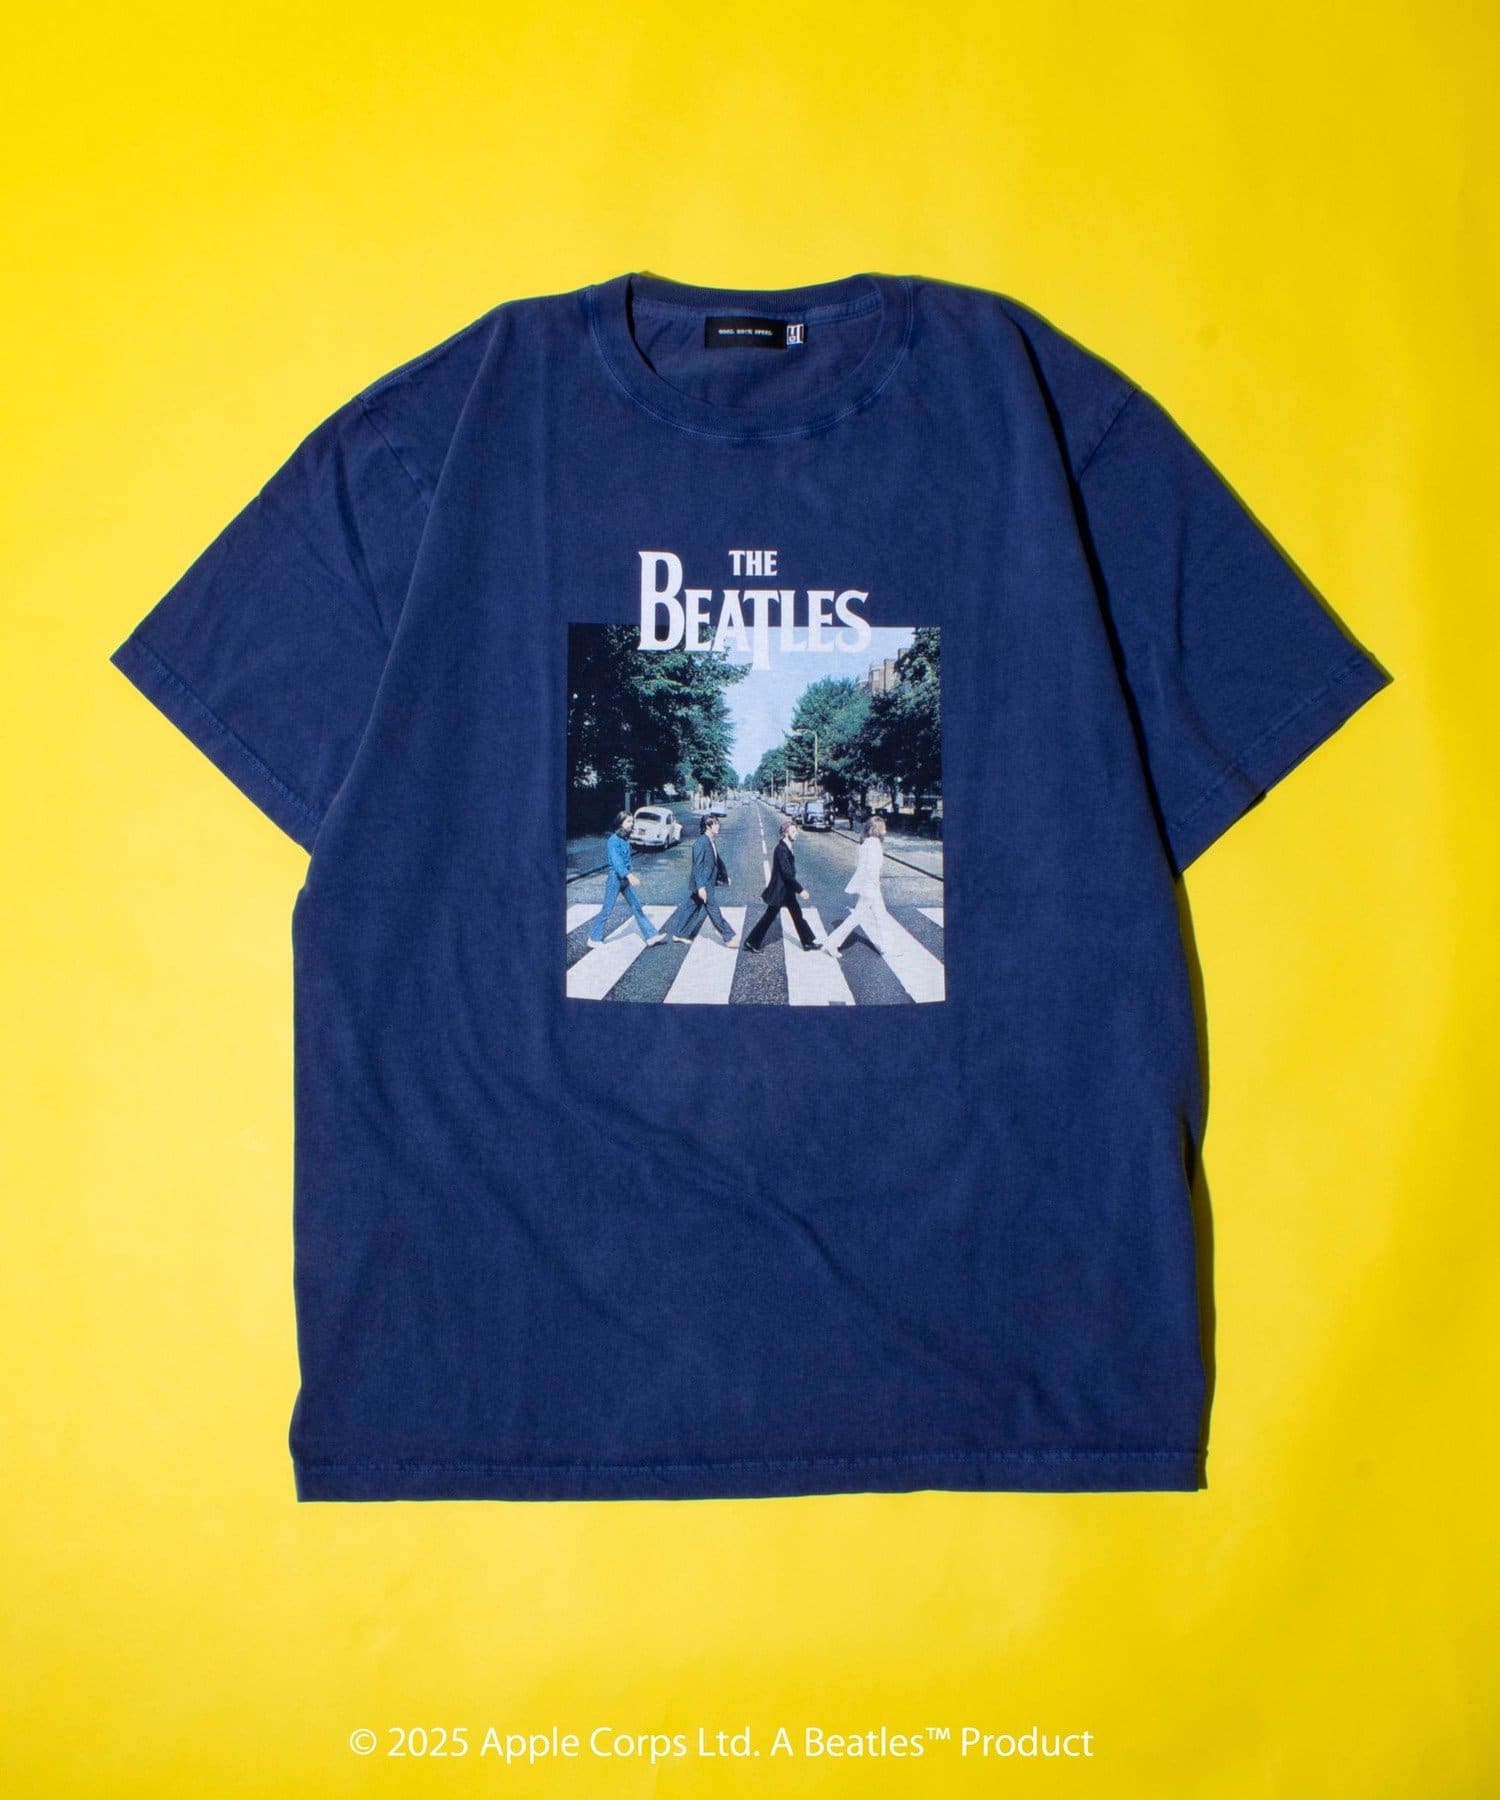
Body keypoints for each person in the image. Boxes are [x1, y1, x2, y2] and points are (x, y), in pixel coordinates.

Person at [651, 814, 736, 948]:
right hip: (704, 883)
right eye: (715, 824)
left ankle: (679, 934)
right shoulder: (701, 843)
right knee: (714, 910)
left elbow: (715, 862)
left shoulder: (710, 840)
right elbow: (697, 866)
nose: (718, 826)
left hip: (707, 881)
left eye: (717, 823)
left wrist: (724, 878)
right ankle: (728, 937)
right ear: (708, 826)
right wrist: (701, 887)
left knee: (691, 907)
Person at [743, 819, 821, 954]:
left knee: (797, 915)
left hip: (787, 891)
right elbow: (787, 874)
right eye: (793, 831)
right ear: (785, 833)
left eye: (796, 831)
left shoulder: (787, 846)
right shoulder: (781, 849)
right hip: (780, 891)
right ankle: (751, 942)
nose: (796, 834)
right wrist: (800, 890)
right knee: (769, 917)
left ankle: (807, 942)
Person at [823, 816, 891, 959]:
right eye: (883, 827)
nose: (885, 830)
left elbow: (859, 865)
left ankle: (886, 947)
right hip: (871, 887)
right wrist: (876, 882)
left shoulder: (864, 842)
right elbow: (872, 868)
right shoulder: (874, 844)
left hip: (869, 885)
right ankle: (832, 943)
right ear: (877, 829)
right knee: (856, 917)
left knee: (881, 915)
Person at [587, 811, 654, 945]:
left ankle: (651, 936)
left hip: (624, 879)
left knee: (636, 907)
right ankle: (593, 938)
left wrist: (629, 873)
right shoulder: (613, 840)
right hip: (615, 879)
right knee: (607, 909)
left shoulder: (624, 839)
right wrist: (629, 875)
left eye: (632, 821)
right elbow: (617, 862)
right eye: (628, 821)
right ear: (620, 823)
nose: (631, 824)